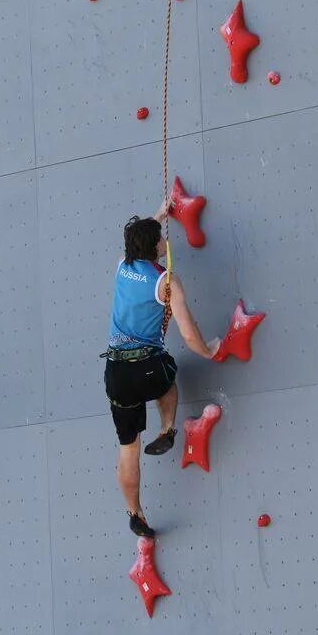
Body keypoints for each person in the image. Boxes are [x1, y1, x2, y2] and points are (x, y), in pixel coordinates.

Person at [104, 199, 218, 538]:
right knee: (167, 380)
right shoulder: (166, 282)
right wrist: (209, 350)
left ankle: (135, 512)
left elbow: (137, 242)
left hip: (116, 372)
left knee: (128, 448)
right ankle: (167, 429)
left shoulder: (122, 266)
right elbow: (188, 334)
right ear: (156, 247)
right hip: (148, 367)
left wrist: (158, 214)